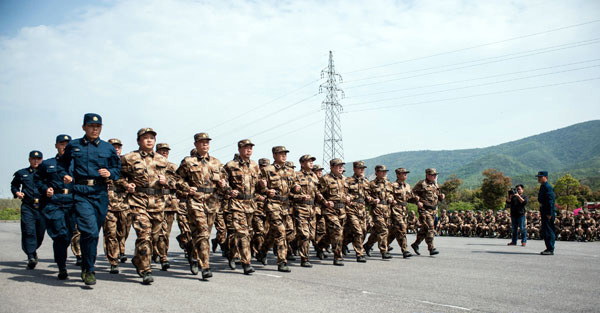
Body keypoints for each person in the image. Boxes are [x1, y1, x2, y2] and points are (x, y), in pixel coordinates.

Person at [57, 113, 121, 285]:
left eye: (98, 126)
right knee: (89, 231)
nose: (95, 129)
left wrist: (110, 174)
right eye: (91, 126)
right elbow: (62, 164)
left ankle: (86, 265)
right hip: (80, 192)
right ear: (84, 127)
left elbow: (117, 168)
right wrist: (65, 175)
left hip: (100, 193)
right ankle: (89, 269)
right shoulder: (74, 145)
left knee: (93, 234)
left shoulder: (107, 148)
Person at [118, 127, 172, 284]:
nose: (149, 140)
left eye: (152, 138)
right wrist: (126, 184)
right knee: (144, 235)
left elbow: (175, 180)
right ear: (139, 141)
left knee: (154, 237)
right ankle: (145, 270)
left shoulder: (162, 160)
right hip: (138, 201)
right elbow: (117, 177)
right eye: (145, 138)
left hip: (158, 203)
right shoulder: (129, 158)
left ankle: (138, 259)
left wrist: (166, 181)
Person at [176, 133, 227, 279]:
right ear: (195, 144)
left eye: (207, 142)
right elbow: (177, 179)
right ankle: (205, 266)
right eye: (201, 142)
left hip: (212, 202)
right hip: (195, 201)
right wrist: (187, 188)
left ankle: (192, 251)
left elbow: (224, 183)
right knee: (203, 234)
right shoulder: (188, 162)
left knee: (202, 234)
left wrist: (224, 185)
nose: (205, 144)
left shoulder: (216, 163)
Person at [35, 135, 75, 279]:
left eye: (67, 144)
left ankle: (61, 259)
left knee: (69, 236)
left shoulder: (77, 164)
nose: (64, 146)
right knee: (60, 235)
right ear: (56, 146)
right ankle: (62, 267)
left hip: (72, 202)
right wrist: (45, 189)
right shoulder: (48, 164)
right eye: (61, 143)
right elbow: (37, 180)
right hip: (54, 203)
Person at [223, 139, 262, 275]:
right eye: (246, 147)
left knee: (247, 233)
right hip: (237, 204)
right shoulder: (230, 165)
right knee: (243, 234)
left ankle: (232, 253)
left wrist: (263, 188)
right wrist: (229, 190)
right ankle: (246, 263)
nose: (249, 150)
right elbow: (222, 182)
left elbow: (257, 186)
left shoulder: (254, 166)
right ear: (239, 149)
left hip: (251, 204)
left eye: (251, 147)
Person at [257, 146, 295, 272]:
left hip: (286, 206)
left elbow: (293, 187)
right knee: (280, 232)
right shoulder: (267, 170)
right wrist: (266, 190)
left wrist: (297, 189)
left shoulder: (290, 171)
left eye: (285, 153)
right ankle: (282, 262)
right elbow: (257, 188)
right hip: (273, 205)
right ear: (274, 155)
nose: (284, 155)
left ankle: (262, 250)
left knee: (287, 232)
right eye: (281, 153)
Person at [12, 150, 46, 269]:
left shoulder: (46, 174)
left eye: (38, 159)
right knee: (28, 231)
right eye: (33, 159)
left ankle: (33, 250)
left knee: (40, 233)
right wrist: (17, 192)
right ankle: (31, 256)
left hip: (42, 207)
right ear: (29, 160)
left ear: (41, 160)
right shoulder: (22, 173)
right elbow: (14, 185)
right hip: (28, 206)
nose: (36, 161)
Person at [102, 138, 129, 274]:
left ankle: (120, 250)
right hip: (108, 203)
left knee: (123, 232)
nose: (116, 149)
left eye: (118, 147)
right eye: (113, 147)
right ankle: (113, 260)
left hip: (124, 203)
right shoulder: (102, 162)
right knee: (110, 233)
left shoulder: (126, 162)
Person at [291, 154, 323, 267]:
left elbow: (317, 190)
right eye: (308, 161)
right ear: (302, 163)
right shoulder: (296, 176)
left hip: (312, 209)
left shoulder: (314, 176)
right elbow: (289, 194)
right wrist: (300, 196)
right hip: (300, 208)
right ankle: (304, 259)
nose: (311, 163)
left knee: (310, 235)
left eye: (312, 161)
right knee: (304, 234)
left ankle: (293, 245)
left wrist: (320, 197)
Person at [318, 158, 349, 266]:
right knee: (337, 232)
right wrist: (325, 202)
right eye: (338, 166)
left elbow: (346, 193)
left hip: (342, 210)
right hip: (330, 210)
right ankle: (338, 257)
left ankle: (321, 245)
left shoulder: (345, 179)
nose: (340, 168)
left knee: (332, 234)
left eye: (342, 166)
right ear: (331, 167)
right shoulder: (325, 179)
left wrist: (348, 198)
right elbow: (318, 194)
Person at [411, 168, 444, 256]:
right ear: (428, 175)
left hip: (433, 210)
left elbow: (438, 197)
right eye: (433, 175)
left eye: (435, 175)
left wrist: (441, 196)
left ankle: (415, 244)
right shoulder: (422, 183)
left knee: (425, 229)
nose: (434, 177)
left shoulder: (435, 185)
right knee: (430, 227)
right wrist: (417, 201)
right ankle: (431, 248)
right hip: (424, 209)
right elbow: (412, 194)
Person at [343, 161, 370, 263]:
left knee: (363, 231)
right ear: (354, 169)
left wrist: (370, 199)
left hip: (362, 210)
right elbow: (343, 193)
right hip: (351, 210)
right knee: (358, 232)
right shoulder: (348, 180)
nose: (362, 170)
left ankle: (342, 243)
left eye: (363, 168)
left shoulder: (366, 181)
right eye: (360, 168)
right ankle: (360, 254)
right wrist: (347, 197)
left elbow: (370, 194)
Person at [365, 165, 394, 259]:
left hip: (387, 210)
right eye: (382, 171)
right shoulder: (371, 184)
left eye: (385, 171)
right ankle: (384, 251)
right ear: (376, 172)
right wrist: (373, 200)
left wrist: (391, 198)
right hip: (377, 210)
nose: (384, 173)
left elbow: (392, 194)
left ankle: (368, 245)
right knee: (383, 230)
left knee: (377, 232)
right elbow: (366, 196)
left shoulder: (389, 183)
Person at [536, 171, 556, 255]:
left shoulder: (548, 187)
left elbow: (550, 201)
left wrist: (549, 213)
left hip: (548, 211)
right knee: (545, 230)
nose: (539, 178)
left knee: (549, 230)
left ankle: (550, 248)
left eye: (541, 177)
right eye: (538, 177)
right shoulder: (543, 186)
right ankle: (548, 247)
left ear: (546, 177)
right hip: (544, 210)